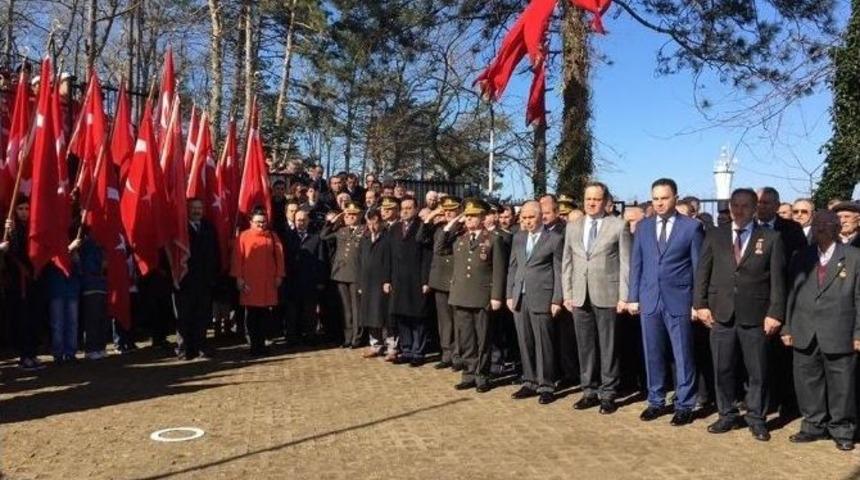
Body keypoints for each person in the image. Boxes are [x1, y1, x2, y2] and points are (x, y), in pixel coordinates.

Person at [694, 188, 786, 442]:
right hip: (720, 313)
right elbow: (703, 271)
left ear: (755, 207)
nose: (739, 209)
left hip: (755, 315)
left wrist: (775, 313)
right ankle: (726, 414)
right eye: (735, 204)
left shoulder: (771, 238)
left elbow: (778, 282)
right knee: (722, 368)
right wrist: (700, 304)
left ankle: (756, 418)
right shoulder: (715, 234)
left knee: (757, 371)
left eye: (745, 205)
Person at [628, 178, 703, 426]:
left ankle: (684, 404)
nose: (659, 203)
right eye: (656, 198)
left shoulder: (691, 228)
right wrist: (633, 297)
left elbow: (697, 268)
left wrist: (697, 302)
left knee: (683, 354)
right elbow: (637, 264)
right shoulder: (643, 227)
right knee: (652, 353)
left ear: (675, 198)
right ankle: (656, 400)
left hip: (679, 300)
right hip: (650, 300)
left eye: (664, 198)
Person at [783, 210, 859, 452]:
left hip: (839, 330)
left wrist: (858, 333)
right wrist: (787, 325)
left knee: (842, 384)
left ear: (837, 228)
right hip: (804, 329)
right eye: (817, 225)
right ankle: (813, 425)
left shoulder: (854, 256)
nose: (820, 229)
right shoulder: (801, 256)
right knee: (807, 380)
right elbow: (791, 293)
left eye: (826, 225)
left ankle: (842, 429)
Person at [562, 182, 630, 414]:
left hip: (608, 295)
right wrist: (568, 294)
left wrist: (624, 295)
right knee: (585, 346)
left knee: (608, 346)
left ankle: (609, 393)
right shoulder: (573, 226)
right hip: (580, 296)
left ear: (605, 201)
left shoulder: (618, 226)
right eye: (588, 199)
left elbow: (625, 264)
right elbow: (567, 262)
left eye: (596, 199)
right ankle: (588, 391)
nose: (591, 203)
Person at [445, 198, 506, 392]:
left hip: (482, 296)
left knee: (483, 338)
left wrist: (496, 296)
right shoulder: (460, 239)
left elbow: (498, 270)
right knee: (466, 339)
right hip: (461, 295)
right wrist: (455, 221)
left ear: (482, 217)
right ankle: (469, 373)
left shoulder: (493, 239)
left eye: (473, 216)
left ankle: (482, 375)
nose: (470, 219)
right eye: (467, 216)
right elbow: (440, 246)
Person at [507, 201, 564, 405]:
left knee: (544, 343)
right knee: (525, 341)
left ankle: (546, 384)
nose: (527, 221)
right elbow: (513, 267)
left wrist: (557, 298)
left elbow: (559, 271)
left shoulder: (555, 239)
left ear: (540, 216)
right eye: (523, 217)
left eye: (531, 217)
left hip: (543, 296)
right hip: (520, 297)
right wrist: (509, 294)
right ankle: (529, 380)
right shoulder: (519, 238)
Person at [756, 186, 805, 420]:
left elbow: (801, 267)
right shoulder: (749, 228)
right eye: (758, 202)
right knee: (757, 358)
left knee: (782, 356)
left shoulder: (792, 230)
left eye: (766, 203)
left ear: (776, 205)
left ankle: (786, 402)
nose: (761, 206)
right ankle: (761, 401)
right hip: (754, 303)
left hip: (783, 301)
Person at [231, 209, 285, 356]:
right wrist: (238, 278)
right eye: (258, 222)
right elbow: (237, 258)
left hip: (267, 283)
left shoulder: (272, 236)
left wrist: (279, 275)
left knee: (264, 315)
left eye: (263, 222)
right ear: (251, 222)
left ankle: (261, 344)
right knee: (251, 316)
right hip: (250, 283)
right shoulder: (243, 236)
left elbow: (279, 257)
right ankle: (253, 345)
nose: (261, 225)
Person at [417, 196, 462, 370]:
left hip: (455, 278)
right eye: (446, 210)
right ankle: (447, 353)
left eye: (453, 210)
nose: (449, 213)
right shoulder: (438, 227)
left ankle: (458, 356)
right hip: (439, 278)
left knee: (457, 320)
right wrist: (431, 217)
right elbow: (420, 238)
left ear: (459, 210)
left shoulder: (463, 228)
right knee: (444, 321)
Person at [0, 198, 44, 370]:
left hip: (33, 280)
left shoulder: (31, 228)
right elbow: (12, 253)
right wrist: (10, 233)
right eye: (20, 208)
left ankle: (32, 353)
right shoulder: (10, 229)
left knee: (34, 317)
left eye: (26, 208)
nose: (24, 212)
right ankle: (24, 355)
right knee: (21, 320)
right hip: (16, 283)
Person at [389, 195, 432, 366]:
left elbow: (427, 256)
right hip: (398, 279)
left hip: (416, 279)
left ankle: (418, 352)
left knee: (417, 318)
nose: (405, 211)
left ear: (415, 209)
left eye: (409, 208)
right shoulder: (395, 229)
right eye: (403, 208)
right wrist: (388, 279)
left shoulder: (422, 227)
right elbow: (389, 255)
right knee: (402, 316)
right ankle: (406, 350)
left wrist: (425, 281)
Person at [175, 198, 220, 360]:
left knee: (202, 316)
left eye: (199, 208)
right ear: (187, 209)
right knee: (184, 316)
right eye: (193, 208)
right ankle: (183, 349)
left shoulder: (208, 227)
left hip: (204, 280)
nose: (197, 211)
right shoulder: (181, 229)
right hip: (185, 281)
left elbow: (215, 252)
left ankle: (200, 347)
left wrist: (214, 275)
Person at [320, 202, 364, 348]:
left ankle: (357, 338)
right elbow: (323, 236)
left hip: (356, 273)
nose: (350, 217)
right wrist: (333, 220)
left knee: (356, 308)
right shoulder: (341, 231)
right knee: (345, 308)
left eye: (353, 214)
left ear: (359, 216)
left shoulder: (364, 230)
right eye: (347, 215)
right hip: (340, 274)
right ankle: (347, 337)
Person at [280, 209, 327, 344]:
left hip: (309, 281)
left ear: (308, 221)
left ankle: (310, 336)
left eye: (303, 220)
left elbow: (321, 260)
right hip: (291, 281)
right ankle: (292, 337)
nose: (301, 223)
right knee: (292, 312)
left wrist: (320, 280)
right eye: (298, 220)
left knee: (309, 312)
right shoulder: (287, 237)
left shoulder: (316, 238)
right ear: (294, 221)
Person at [357, 209, 394, 358]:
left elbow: (391, 261)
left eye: (375, 222)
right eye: (369, 222)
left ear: (381, 222)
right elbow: (359, 262)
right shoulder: (364, 239)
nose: (372, 225)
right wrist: (360, 283)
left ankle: (391, 346)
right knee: (370, 314)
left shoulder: (387, 238)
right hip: (367, 282)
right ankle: (375, 345)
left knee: (385, 315)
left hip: (382, 282)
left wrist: (388, 280)